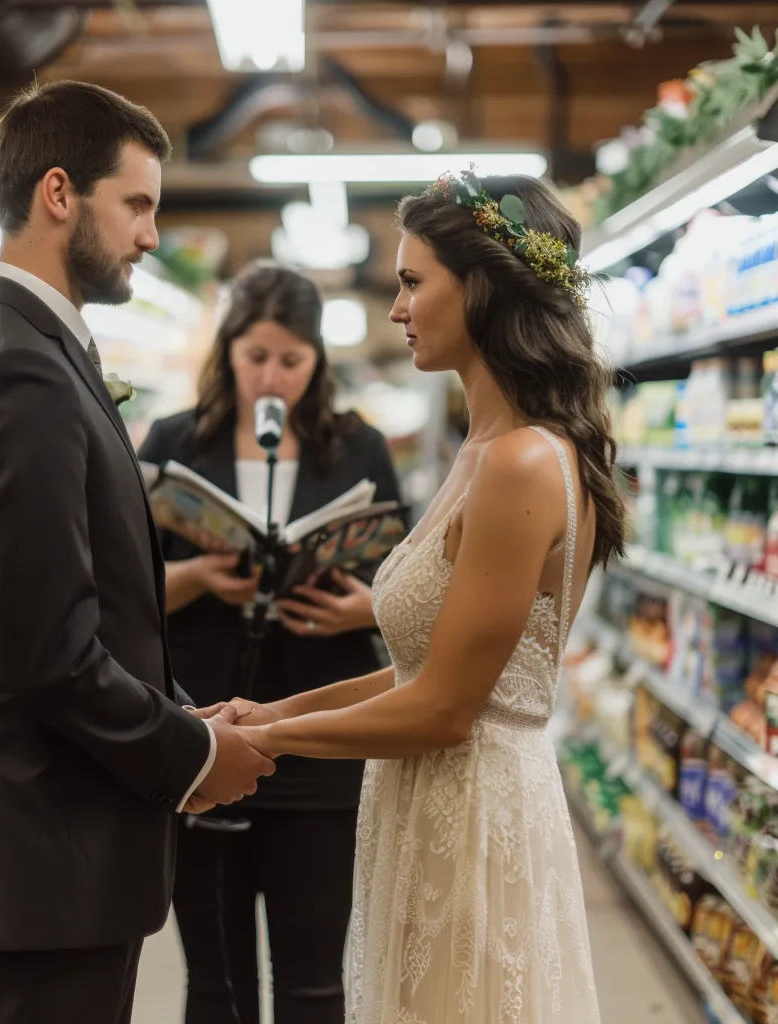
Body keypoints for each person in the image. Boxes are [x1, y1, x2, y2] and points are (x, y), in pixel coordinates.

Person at [213, 173, 625, 1023]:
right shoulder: (484, 448)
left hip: (471, 814)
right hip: (435, 799)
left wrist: (271, 742)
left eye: (412, 282)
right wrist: (268, 710)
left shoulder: (518, 464)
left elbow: (442, 710)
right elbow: (418, 668)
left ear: (479, 289)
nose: (397, 309)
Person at [0, 80, 274, 1024]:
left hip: (58, 850)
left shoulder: (26, 349)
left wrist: (181, 712)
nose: (152, 235)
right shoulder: (17, 369)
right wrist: (193, 751)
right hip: (47, 854)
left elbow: (81, 607)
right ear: (60, 194)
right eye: (140, 204)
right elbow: (50, 653)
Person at [137, 261, 401, 1024]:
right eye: (256, 357)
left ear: (318, 361)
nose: (272, 378)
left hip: (321, 740)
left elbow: (411, 583)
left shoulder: (359, 449)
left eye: (292, 360)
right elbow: (119, 595)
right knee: (215, 986)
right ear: (227, 353)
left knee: (313, 981)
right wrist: (194, 579)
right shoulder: (173, 442)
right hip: (205, 731)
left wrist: (365, 610)